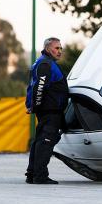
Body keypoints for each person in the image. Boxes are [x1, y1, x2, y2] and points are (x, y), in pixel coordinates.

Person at [25, 37, 69, 184]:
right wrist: (36, 106)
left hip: (48, 110)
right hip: (50, 110)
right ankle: (40, 176)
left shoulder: (42, 62)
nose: (59, 51)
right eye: (57, 48)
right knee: (46, 142)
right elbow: (39, 88)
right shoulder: (46, 64)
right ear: (48, 48)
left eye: (61, 48)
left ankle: (32, 174)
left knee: (39, 141)